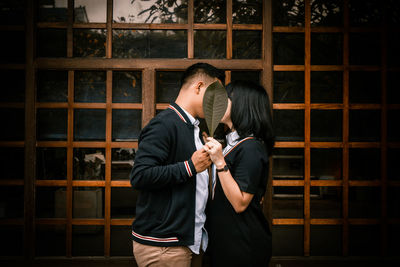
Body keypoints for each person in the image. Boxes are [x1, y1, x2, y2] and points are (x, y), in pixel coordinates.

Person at [130, 63, 225, 267]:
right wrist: (190, 167)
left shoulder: (194, 128)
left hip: (190, 240)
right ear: (199, 87)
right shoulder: (163, 124)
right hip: (165, 246)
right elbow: (140, 176)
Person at [204, 81, 274, 267]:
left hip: (242, 244)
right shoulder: (231, 145)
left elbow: (240, 202)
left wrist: (219, 162)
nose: (219, 102)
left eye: (225, 98)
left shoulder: (251, 147)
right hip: (224, 240)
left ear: (243, 104)